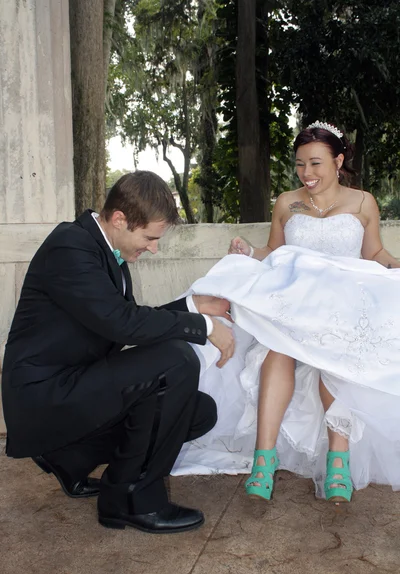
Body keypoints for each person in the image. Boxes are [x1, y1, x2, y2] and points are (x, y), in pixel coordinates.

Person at [173, 121, 400, 504]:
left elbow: (374, 254)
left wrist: (395, 265)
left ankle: (338, 460)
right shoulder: (285, 202)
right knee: (278, 349)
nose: (306, 174)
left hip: (341, 299)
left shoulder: (363, 203)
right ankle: (264, 459)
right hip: (294, 296)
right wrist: (249, 251)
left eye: (315, 163)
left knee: (339, 350)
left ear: (339, 160)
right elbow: (274, 252)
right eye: (299, 164)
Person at [1, 170, 235, 534]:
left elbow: (122, 320)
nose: (154, 247)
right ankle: (131, 498)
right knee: (176, 360)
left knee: (197, 413)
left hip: (76, 383)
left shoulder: (102, 248)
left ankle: (70, 457)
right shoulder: (70, 246)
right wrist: (204, 328)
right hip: (46, 394)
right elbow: (123, 324)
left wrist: (192, 306)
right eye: (149, 237)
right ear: (120, 219)